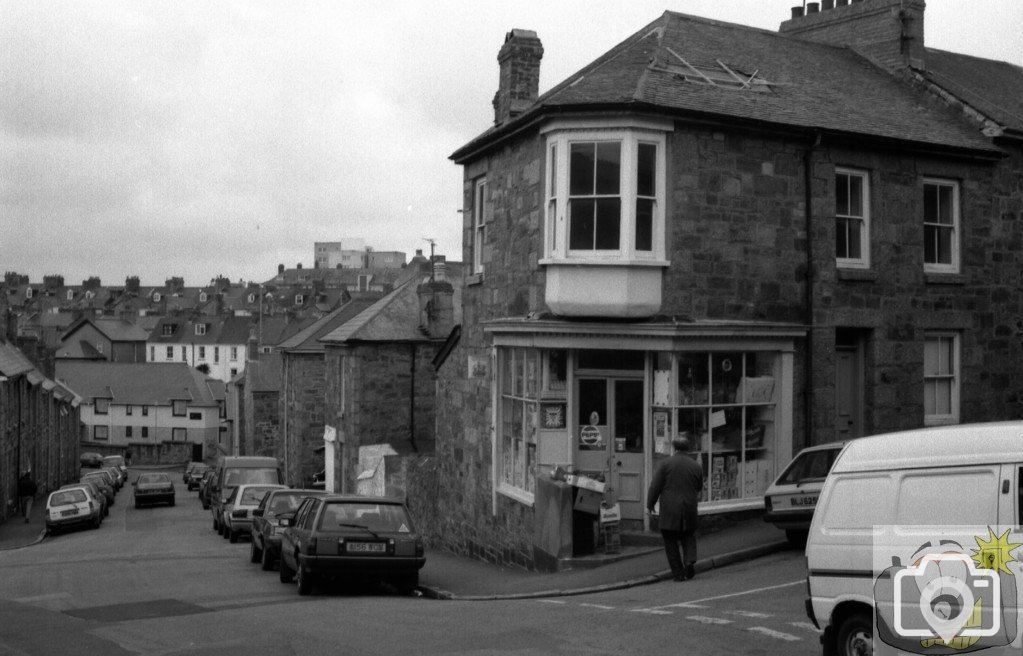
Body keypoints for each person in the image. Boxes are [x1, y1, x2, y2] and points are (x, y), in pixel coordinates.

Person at [646, 436, 704, 581]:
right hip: (689, 507)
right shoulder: (696, 466)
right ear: (688, 448)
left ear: (674, 448)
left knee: (670, 541)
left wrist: (650, 505)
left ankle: (678, 574)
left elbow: (655, 486)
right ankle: (689, 560)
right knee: (688, 536)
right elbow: (699, 487)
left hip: (670, 510)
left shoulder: (665, 464)